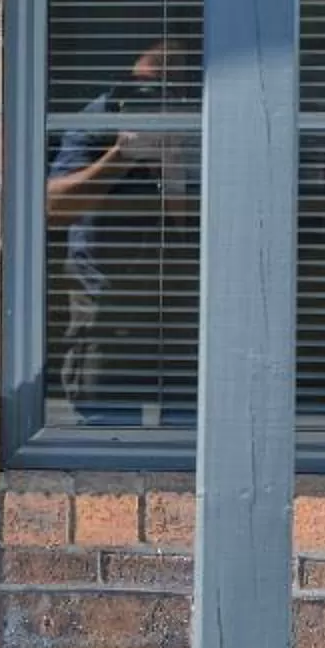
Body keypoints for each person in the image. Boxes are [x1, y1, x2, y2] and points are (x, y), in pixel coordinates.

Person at [46, 41, 199, 425]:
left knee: (190, 429)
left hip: (182, 306)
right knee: (107, 426)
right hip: (106, 303)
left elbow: (197, 231)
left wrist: (173, 168)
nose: (152, 99)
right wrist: (119, 156)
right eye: (143, 86)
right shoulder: (101, 118)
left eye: (167, 89)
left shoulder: (202, 122)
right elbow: (53, 207)